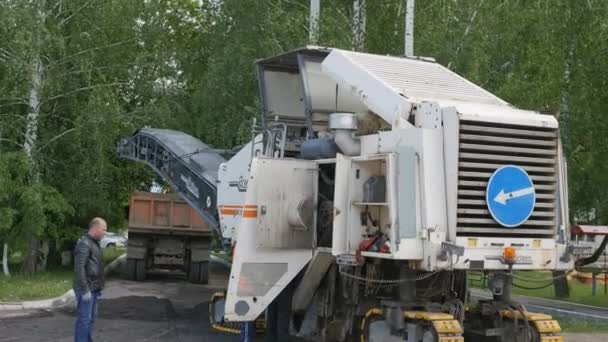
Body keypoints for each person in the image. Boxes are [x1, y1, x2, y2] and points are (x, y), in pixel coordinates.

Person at [73, 217, 107, 342]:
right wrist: (85, 289)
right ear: (95, 228)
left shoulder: (93, 242)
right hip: (86, 288)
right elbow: (79, 268)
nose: (105, 233)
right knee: (84, 320)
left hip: (94, 288)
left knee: (90, 319)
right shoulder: (84, 243)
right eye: (104, 230)